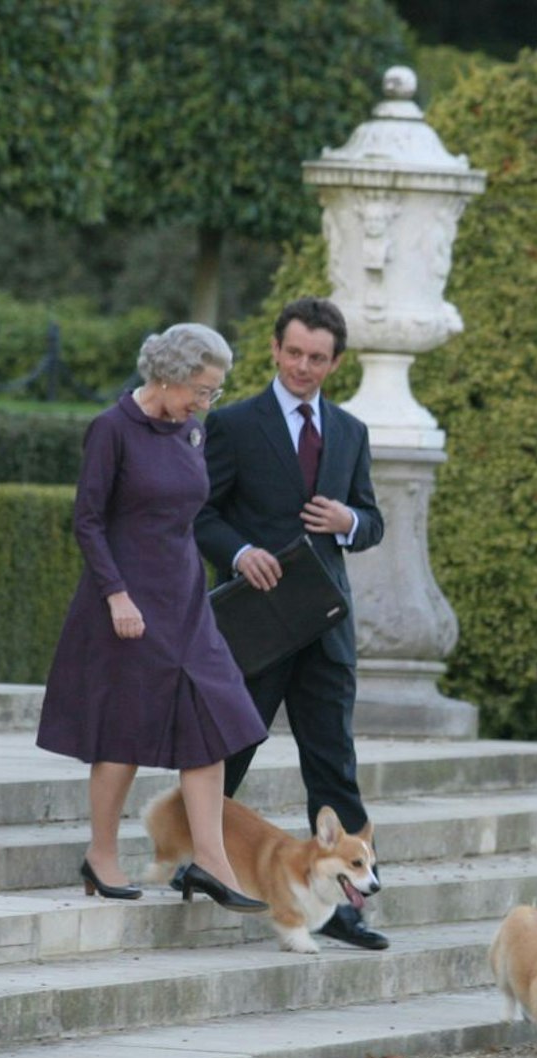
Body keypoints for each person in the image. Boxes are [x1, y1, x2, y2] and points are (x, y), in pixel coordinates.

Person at [36, 324, 267, 914]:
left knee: (213, 718)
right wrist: (116, 595)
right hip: (128, 603)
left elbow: (187, 518)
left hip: (184, 600)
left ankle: (211, 860)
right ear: (168, 376)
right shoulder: (112, 429)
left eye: (213, 392)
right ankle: (101, 854)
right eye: (202, 390)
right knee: (125, 728)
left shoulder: (192, 431)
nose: (206, 403)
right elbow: (88, 521)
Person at [197, 296, 389, 950]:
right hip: (255, 622)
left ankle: (347, 907)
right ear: (276, 350)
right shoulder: (232, 425)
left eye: (317, 358)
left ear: (335, 363)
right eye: (295, 353)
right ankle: (200, 861)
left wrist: (349, 521)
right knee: (230, 748)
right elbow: (199, 513)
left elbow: (372, 519)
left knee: (334, 763)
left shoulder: (351, 432)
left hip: (325, 625)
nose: (303, 366)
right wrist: (239, 553)